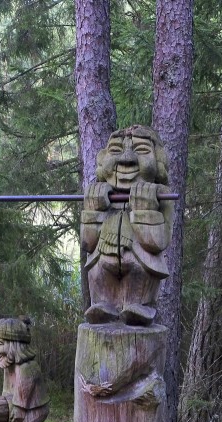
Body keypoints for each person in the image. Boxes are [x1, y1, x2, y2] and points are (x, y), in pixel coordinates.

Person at [81, 125, 173, 326]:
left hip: (140, 265)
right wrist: (93, 210)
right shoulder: (97, 193)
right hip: (102, 263)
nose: (126, 159)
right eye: (115, 151)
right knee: (97, 273)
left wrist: (144, 210)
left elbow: (158, 242)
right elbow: (87, 243)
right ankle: (103, 303)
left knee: (140, 276)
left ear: (158, 161)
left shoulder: (161, 194)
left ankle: (138, 305)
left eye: (141, 151)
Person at [0, 317, 50, 422]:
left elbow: (23, 396)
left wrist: (17, 410)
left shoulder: (27, 368)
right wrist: (6, 405)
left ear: (15, 345)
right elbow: (7, 390)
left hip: (36, 408)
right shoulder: (9, 365)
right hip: (18, 405)